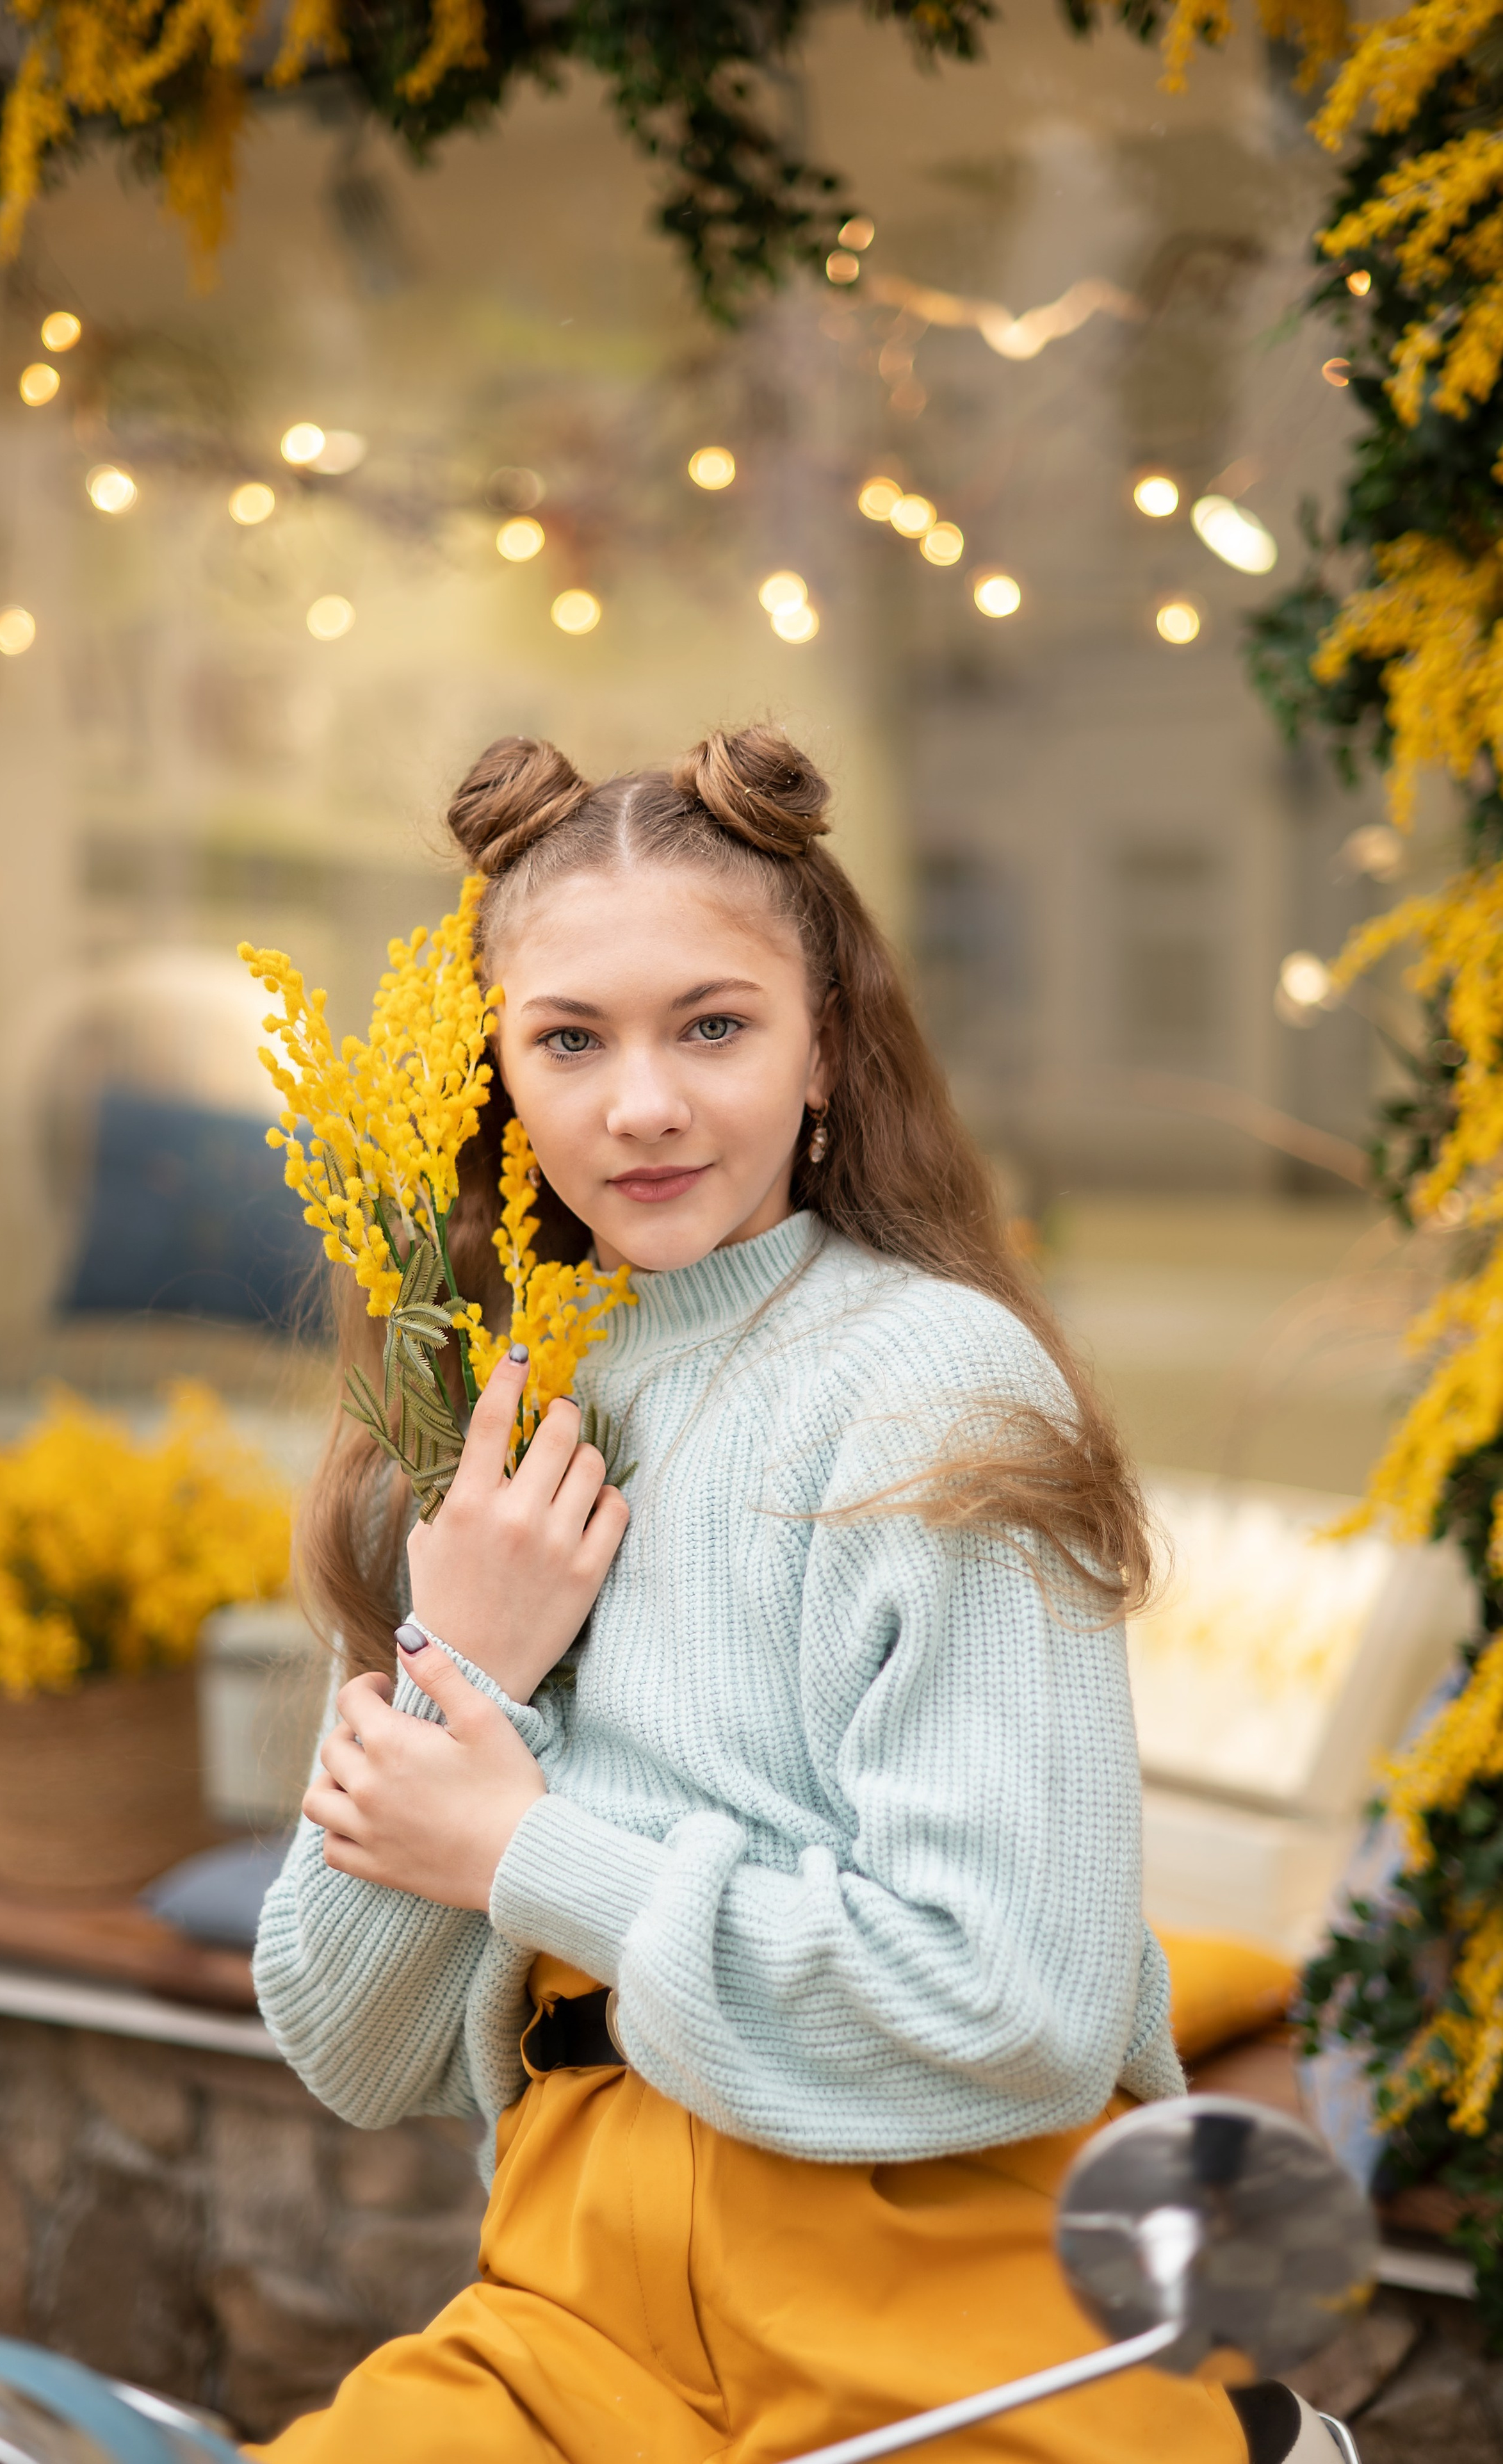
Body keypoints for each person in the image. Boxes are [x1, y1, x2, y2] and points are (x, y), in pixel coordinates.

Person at [250, 725, 1244, 2464]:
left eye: (713, 1026)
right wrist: (462, 1656)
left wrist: (526, 1851)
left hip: (935, 2292)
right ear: (497, 1071)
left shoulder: (930, 1384)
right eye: (570, 1039)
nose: (642, 1103)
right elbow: (349, 2045)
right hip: (570, 2303)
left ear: (825, 1048)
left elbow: (1019, 2005)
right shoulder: (491, 1410)